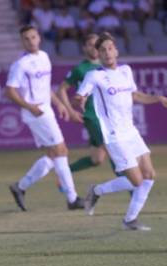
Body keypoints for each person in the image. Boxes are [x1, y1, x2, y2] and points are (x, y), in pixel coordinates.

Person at [75, 33, 167, 231]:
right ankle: (97, 190)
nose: (107, 52)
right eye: (102, 50)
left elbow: (135, 95)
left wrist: (158, 98)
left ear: (116, 51)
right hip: (114, 135)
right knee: (136, 181)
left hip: (130, 131)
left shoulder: (126, 71)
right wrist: (79, 100)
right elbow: (80, 95)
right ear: (97, 54)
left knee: (149, 175)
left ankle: (130, 220)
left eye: (110, 48)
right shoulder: (95, 75)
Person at [6, 25, 83, 212]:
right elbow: (9, 91)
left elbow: (45, 87)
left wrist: (60, 104)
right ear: (22, 42)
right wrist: (30, 106)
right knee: (61, 150)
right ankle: (72, 198)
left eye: (33, 37)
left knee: (53, 154)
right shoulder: (20, 64)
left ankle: (20, 187)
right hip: (35, 112)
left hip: (45, 109)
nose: (31, 41)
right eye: (26, 38)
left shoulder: (45, 57)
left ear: (39, 38)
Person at [58, 33, 113, 176]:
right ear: (84, 48)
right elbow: (62, 89)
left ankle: (64, 173)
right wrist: (70, 111)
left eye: (97, 44)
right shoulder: (80, 69)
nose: (94, 48)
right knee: (112, 149)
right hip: (92, 116)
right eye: (90, 45)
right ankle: (133, 190)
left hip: (107, 116)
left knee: (97, 159)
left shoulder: (106, 65)